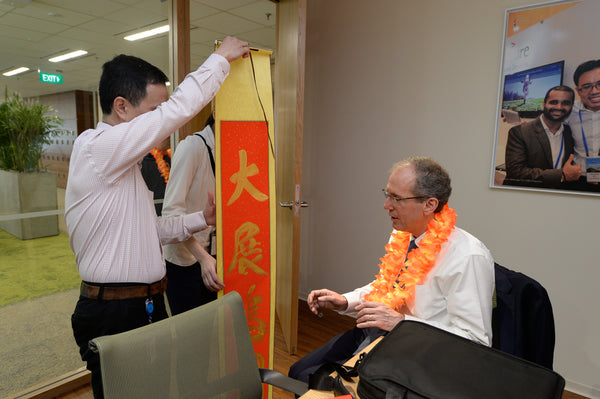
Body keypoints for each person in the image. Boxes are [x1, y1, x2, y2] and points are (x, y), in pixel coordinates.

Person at [64, 36, 249, 398]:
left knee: (159, 390)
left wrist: (202, 217)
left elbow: (153, 230)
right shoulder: (95, 149)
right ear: (121, 107)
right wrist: (219, 61)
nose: (162, 124)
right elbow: (177, 111)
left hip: (145, 304)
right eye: (155, 109)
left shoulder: (125, 166)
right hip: (112, 311)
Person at [288, 157, 495, 383]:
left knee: (324, 387)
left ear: (429, 204)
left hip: (416, 353)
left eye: (397, 198)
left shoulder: (468, 257)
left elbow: (475, 342)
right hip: (376, 334)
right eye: (387, 195)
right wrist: (345, 302)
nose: (387, 205)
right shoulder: (403, 235)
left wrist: (402, 324)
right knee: (299, 373)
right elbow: (385, 288)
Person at [162, 113, 224, 315]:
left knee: (210, 326)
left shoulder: (230, 148)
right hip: (185, 259)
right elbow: (171, 213)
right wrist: (203, 258)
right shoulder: (192, 147)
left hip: (214, 255)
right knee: (188, 333)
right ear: (216, 112)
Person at [504, 85, 581, 188]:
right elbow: (516, 172)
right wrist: (561, 175)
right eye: (553, 102)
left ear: (571, 106)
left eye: (565, 103)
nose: (559, 107)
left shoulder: (569, 132)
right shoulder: (519, 132)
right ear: (544, 104)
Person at [567, 59, 600, 186]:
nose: (595, 91)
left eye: (599, 84)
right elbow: (547, 121)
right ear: (578, 90)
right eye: (586, 87)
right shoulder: (570, 110)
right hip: (579, 179)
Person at [141, 136, 171, 215]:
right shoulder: (145, 162)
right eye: (166, 136)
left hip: (170, 209)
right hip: (154, 212)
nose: (169, 139)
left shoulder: (172, 158)